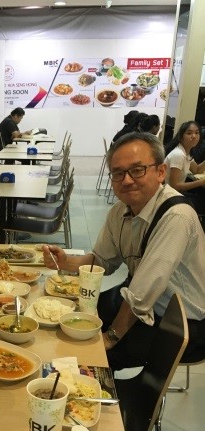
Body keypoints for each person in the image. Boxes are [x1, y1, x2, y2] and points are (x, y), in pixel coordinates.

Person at [43, 132, 205, 371]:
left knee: (90, 356)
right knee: (72, 315)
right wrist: (65, 261)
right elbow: (102, 261)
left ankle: (93, 392)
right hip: (138, 302)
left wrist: (109, 338)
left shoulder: (176, 216)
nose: (127, 180)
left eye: (137, 170)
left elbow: (141, 294)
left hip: (181, 324)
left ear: (161, 172)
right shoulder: (120, 211)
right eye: (118, 173)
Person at [164, 120, 205, 211]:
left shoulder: (186, 152)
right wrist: (201, 182)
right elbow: (174, 186)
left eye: (197, 133)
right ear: (181, 137)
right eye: (189, 133)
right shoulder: (178, 155)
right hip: (169, 196)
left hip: (176, 193)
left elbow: (197, 170)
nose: (194, 136)